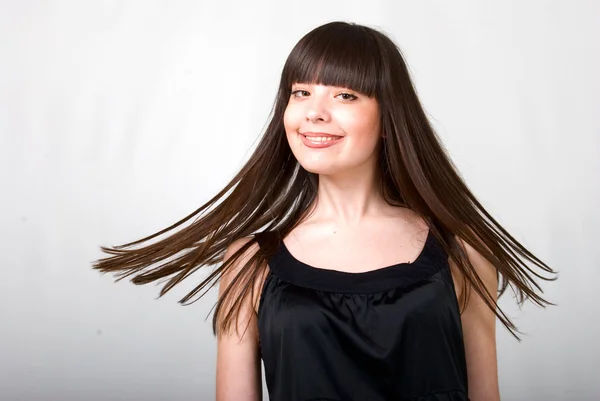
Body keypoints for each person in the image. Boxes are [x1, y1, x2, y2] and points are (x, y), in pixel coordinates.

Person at [93, 21, 557, 401]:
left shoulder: (463, 254)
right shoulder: (249, 263)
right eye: (301, 92)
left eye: (345, 95)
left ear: (389, 119)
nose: (314, 113)